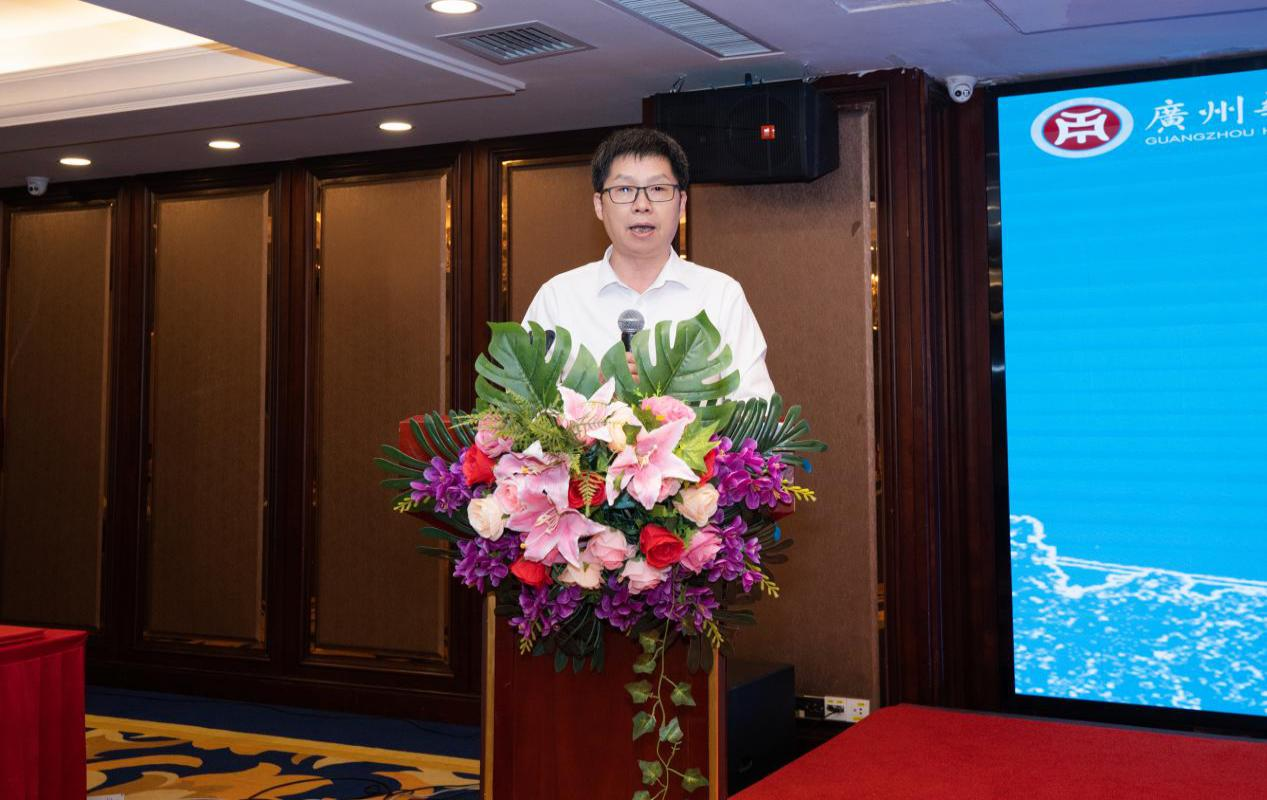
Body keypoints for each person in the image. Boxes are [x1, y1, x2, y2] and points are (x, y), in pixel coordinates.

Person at [522, 127, 776, 400]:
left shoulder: (721, 296)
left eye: (657, 189)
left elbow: (757, 412)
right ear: (599, 205)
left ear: (681, 204)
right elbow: (519, 408)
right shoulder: (558, 298)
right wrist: (592, 396)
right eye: (624, 189)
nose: (642, 204)